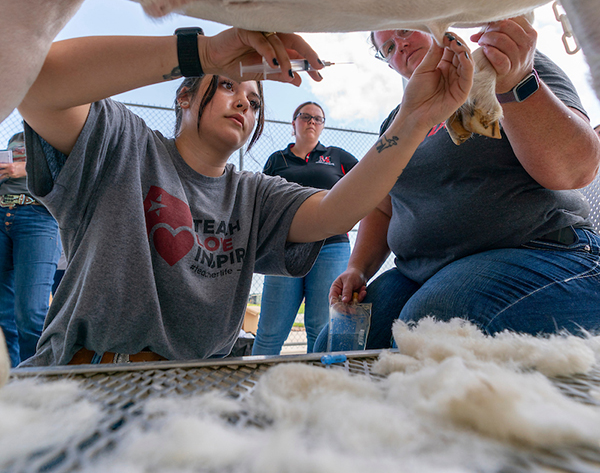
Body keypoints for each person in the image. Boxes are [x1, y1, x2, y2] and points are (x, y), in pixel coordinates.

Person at [16, 26, 473, 366]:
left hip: (196, 395)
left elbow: (337, 212)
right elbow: (30, 80)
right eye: (229, 84)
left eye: (255, 102)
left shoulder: (254, 195)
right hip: (84, 382)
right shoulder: (124, 145)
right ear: (184, 95)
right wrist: (207, 50)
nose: (243, 103)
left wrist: (413, 119)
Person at [315, 16, 600, 352]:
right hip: (421, 273)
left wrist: (515, 81)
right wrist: (357, 269)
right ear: (389, 64)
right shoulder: (397, 121)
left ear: (435, 24)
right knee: (334, 342)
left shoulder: (505, 64)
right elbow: (382, 206)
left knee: (428, 328)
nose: (401, 45)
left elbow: (576, 169)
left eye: (404, 30)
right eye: (389, 47)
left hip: (545, 251)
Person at [252, 102, 358, 354]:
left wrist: (350, 215)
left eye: (318, 118)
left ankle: (317, 388)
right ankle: (254, 389)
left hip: (330, 245)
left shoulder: (337, 156)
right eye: (305, 116)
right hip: (284, 248)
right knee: (270, 329)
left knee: (320, 326)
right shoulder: (277, 160)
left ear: (322, 125)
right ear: (294, 123)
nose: (311, 121)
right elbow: (262, 201)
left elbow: (367, 184)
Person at [0, 130, 61, 366]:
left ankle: (42, 376)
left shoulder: (58, 131)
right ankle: (12, 379)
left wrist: (26, 169)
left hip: (38, 216)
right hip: (3, 212)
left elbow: (70, 171)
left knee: (31, 313)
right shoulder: (15, 136)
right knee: (4, 315)